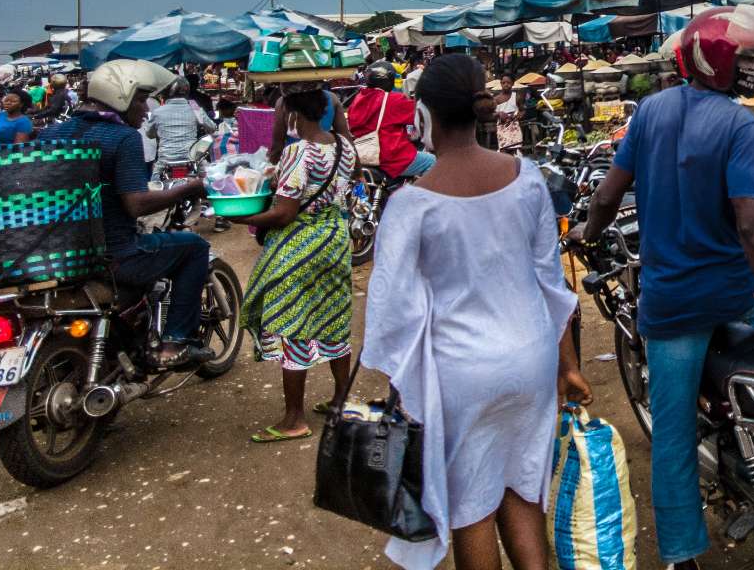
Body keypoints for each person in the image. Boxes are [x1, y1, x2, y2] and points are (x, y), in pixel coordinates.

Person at [575, 11, 754, 570]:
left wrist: (585, 233)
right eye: (749, 60)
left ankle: (681, 555)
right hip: (735, 293)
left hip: (670, 306)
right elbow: (752, 225)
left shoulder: (648, 111)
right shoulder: (738, 124)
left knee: (671, 438)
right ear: (718, 62)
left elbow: (605, 197)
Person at [362, 54, 589, 570]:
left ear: (422, 115)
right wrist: (569, 365)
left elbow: (393, 315)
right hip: (531, 361)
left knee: (471, 508)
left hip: (460, 373)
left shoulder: (411, 204)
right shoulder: (527, 177)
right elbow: (550, 283)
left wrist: (402, 387)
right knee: (523, 488)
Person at [48, 61, 214, 368]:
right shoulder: (121, 138)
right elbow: (135, 205)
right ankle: (175, 342)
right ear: (120, 97)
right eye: (140, 100)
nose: (145, 109)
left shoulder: (53, 134)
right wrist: (190, 188)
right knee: (194, 247)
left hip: (59, 256)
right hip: (115, 256)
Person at [237, 88, 356, 443]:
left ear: (293, 116)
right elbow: (338, 183)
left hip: (301, 245)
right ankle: (340, 400)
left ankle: (294, 418)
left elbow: (284, 212)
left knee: (292, 324)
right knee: (334, 316)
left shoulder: (297, 151)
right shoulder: (344, 146)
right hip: (335, 240)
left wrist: (239, 218)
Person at [347, 60, 433, 178]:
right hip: (390, 157)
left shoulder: (358, 98)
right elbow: (422, 114)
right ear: (389, 79)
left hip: (363, 154)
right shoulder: (392, 100)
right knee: (432, 161)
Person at [143, 78, 217, 177]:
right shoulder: (195, 109)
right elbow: (212, 128)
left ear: (167, 92)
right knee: (208, 183)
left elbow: (149, 134)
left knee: (154, 184)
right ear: (187, 92)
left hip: (165, 162)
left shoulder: (158, 112)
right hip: (192, 160)